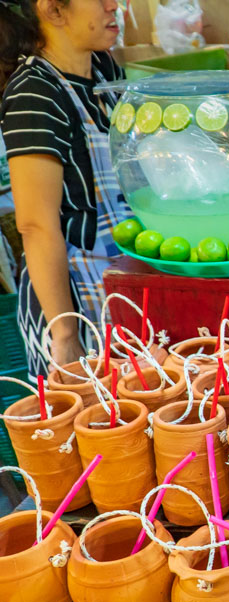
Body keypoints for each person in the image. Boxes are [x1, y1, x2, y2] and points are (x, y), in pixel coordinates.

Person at [0, 0, 127, 377]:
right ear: (53, 12)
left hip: (119, 283)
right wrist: (65, 332)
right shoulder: (35, 93)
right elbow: (35, 225)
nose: (113, 5)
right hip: (72, 299)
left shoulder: (104, 71)